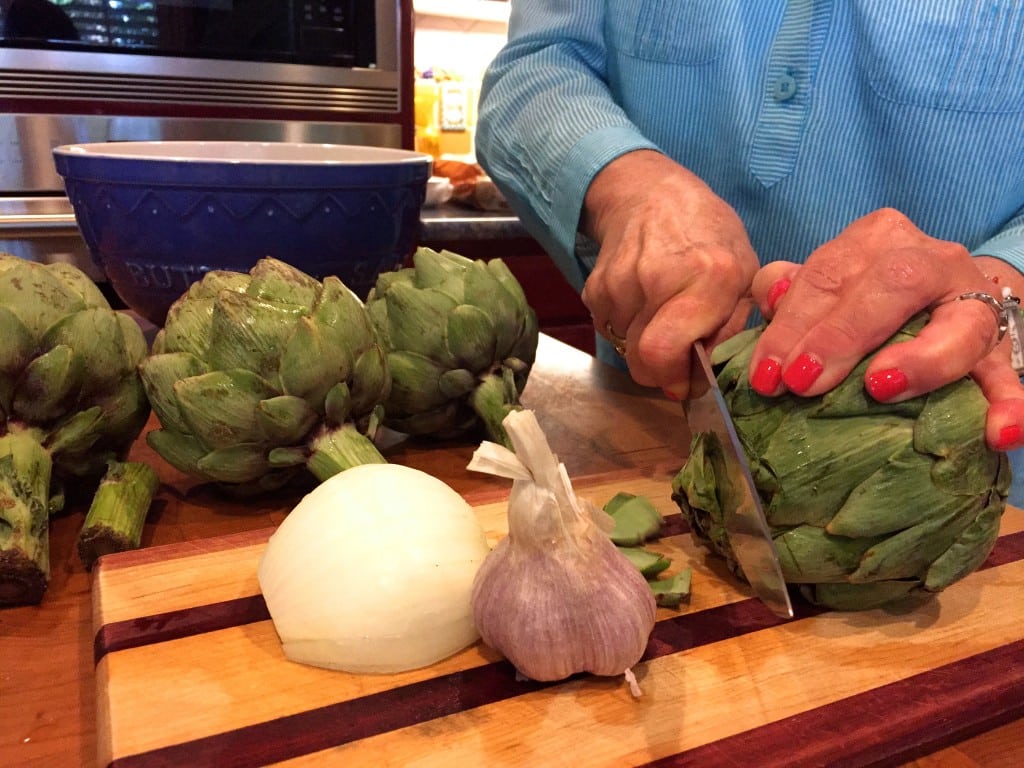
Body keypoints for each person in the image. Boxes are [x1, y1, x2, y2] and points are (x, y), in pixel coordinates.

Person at [473, 2, 1024, 479]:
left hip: (959, 456)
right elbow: (539, 63)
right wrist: (627, 187)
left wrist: (1002, 282)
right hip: (644, 428)